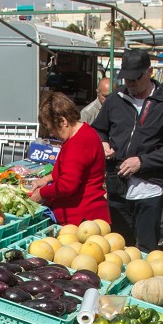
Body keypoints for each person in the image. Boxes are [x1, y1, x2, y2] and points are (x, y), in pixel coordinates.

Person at [93, 49, 163, 251]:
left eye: (135, 79)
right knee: (119, 249)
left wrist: (141, 162)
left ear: (149, 72)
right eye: (127, 79)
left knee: (145, 250)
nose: (131, 84)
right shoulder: (115, 99)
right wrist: (103, 142)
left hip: (150, 189)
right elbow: (99, 129)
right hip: (117, 186)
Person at [28, 91, 110, 225]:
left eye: (52, 128)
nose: (51, 134)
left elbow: (67, 185)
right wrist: (46, 179)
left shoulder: (79, 143)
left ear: (63, 121)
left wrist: (42, 193)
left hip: (82, 219)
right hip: (80, 217)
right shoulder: (81, 134)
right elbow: (70, 170)